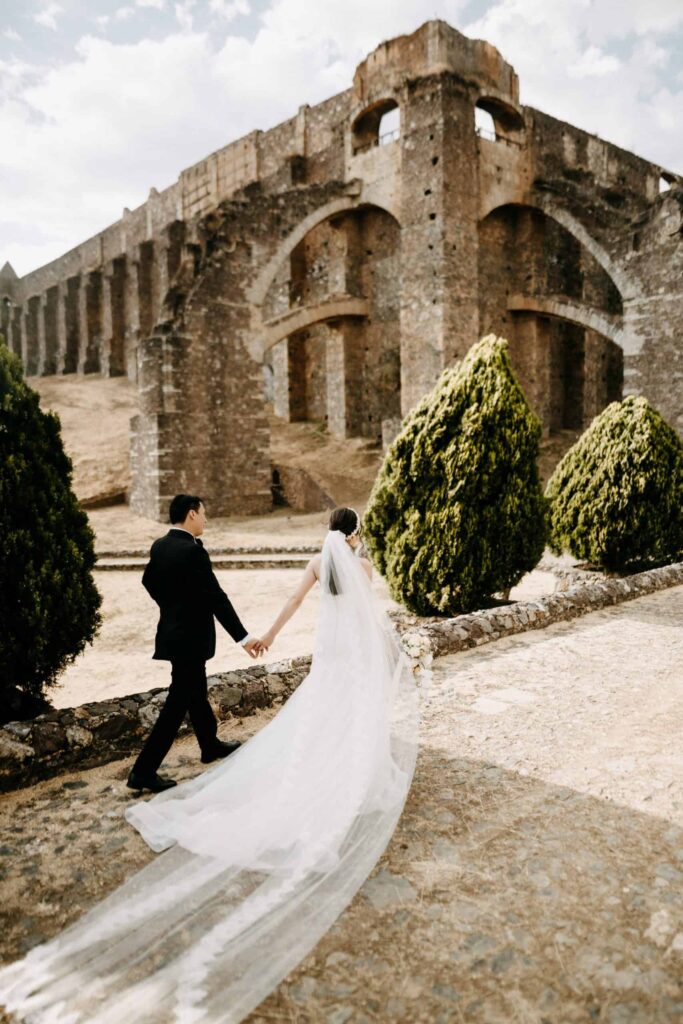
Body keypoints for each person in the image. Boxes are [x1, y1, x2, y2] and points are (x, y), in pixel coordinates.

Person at [0, 507, 419, 1024]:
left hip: (327, 659)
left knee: (302, 718)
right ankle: (330, 766)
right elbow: (367, 618)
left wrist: (265, 636)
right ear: (354, 535)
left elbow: (292, 602)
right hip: (349, 660)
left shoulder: (317, 563)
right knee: (347, 717)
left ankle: (214, 746)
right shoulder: (362, 568)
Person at [127, 494, 264, 794]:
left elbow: (148, 581)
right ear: (191, 514)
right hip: (190, 638)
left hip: (172, 634)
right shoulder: (193, 551)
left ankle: (209, 744)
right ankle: (143, 771)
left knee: (195, 690)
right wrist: (243, 637)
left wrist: (172, 607)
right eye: (203, 514)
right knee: (177, 702)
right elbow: (216, 598)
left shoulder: (160, 545)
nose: (205, 519)